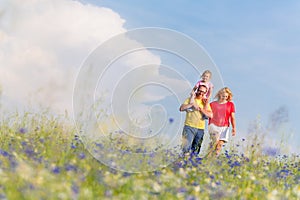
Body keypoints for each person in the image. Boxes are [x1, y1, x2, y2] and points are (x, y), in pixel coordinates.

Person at [179, 85, 213, 156]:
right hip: (189, 127)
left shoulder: (205, 103)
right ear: (197, 90)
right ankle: (183, 164)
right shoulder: (190, 99)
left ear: (205, 93)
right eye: (200, 91)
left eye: (203, 92)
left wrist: (201, 109)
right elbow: (181, 108)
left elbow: (210, 115)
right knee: (186, 149)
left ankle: (191, 165)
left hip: (200, 129)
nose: (201, 93)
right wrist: (191, 104)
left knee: (196, 150)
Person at [207, 87, 236, 156]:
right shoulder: (212, 104)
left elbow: (232, 117)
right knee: (215, 142)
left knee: (219, 145)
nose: (224, 98)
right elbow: (207, 113)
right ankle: (208, 157)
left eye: (226, 96)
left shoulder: (230, 105)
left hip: (225, 127)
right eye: (223, 96)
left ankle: (212, 158)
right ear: (220, 94)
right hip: (213, 125)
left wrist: (234, 128)